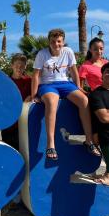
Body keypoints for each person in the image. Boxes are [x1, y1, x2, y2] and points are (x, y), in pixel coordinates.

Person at [31, 29, 100, 160]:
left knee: (84, 101)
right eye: (53, 41)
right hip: (48, 85)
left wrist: (78, 87)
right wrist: (34, 95)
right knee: (52, 102)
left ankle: (89, 141)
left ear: (63, 41)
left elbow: (73, 71)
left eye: (59, 41)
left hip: (65, 84)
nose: (56, 44)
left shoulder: (68, 51)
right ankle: (50, 144)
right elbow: (36, 75)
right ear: (49, 42)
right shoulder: (42, 54)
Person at [2, 54, 32, 150]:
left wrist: (32, 96)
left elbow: (37, 95)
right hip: (9, 123)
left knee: (24, 151)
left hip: (24, 124)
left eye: (22, 66)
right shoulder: (6, 82)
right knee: (9, 151)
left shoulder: (29, 81)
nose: (19, 69)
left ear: (25, 67)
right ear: (12, 65)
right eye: (17, 66)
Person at [89, 63, 109, 186]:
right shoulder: (96, 94)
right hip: (105, 134)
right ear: (102, 74)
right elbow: (104, 117)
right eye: (107, 71)